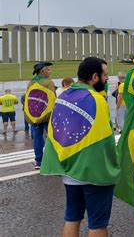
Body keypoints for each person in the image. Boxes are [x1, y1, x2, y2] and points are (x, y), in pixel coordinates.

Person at [41, 57, 120, 237]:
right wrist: (114, 166)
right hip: (93, 173)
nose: (107, 79)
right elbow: (105, 139)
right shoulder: (97, 99)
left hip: (69, 171)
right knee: (97, 224)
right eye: (105, 75)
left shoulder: (63, 97)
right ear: (94, 77)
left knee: (72, 218)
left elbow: (55, 133)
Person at [25, 61, 56, 169]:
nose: (50, 71)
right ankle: (53, 160)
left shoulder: (31, 82)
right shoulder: (49, 83)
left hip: (34, 116)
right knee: (52, 137)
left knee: (37, 139)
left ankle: (38, 161)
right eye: (48, 69)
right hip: (46, 115)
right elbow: (53, 99)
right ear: (43, 71)